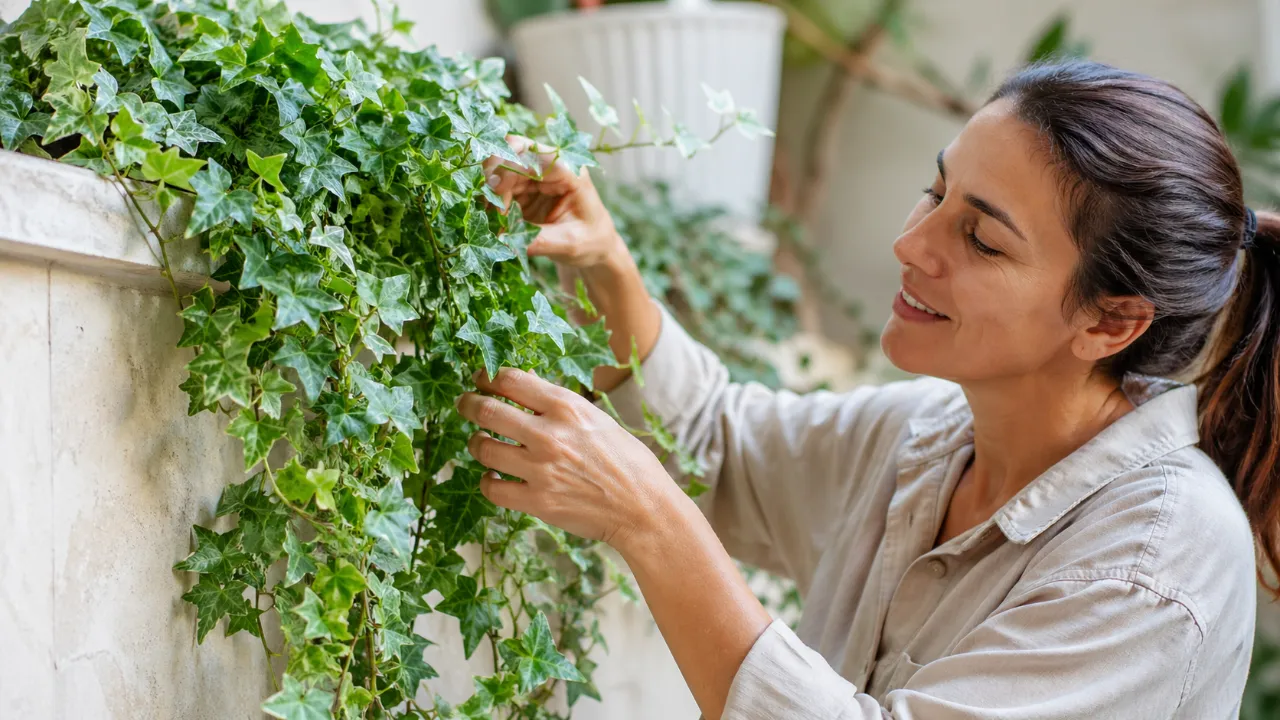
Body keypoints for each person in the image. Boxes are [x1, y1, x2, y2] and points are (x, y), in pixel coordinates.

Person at [455, 60, 1275, 719]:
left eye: (981, 239)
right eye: (935, 191)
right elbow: (715, 445)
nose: (911, 243)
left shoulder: (1155, 565)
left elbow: (676, 486)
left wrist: (648, 520)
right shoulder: (927, 434)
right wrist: (604, 267)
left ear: (1111, 323)